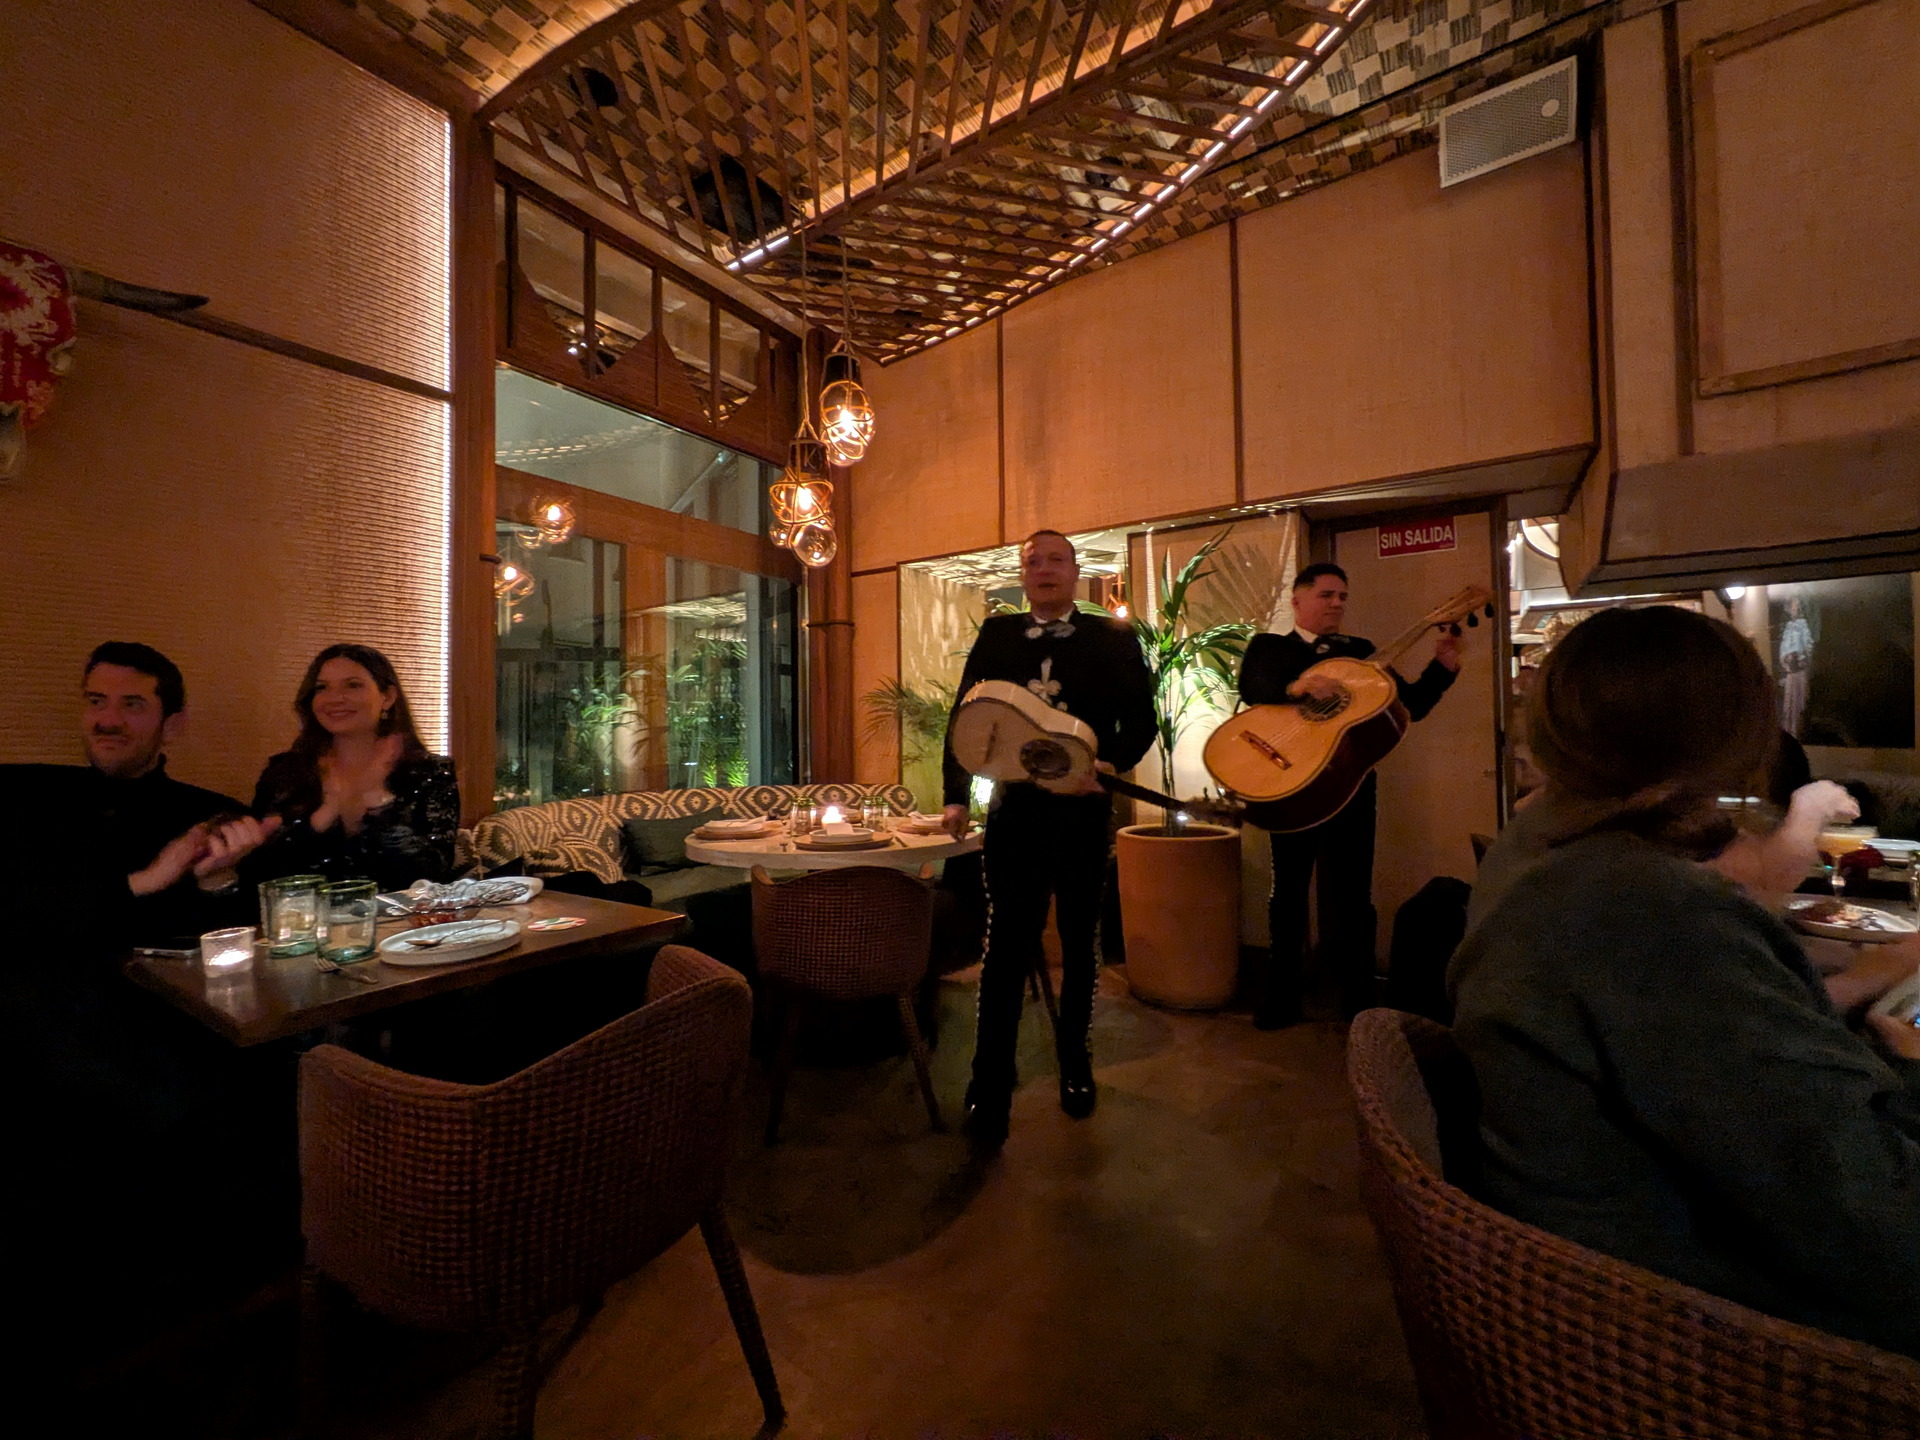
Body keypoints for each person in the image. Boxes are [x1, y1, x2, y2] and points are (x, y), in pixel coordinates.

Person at [1449, 606, 1920, 1358]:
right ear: (1740, 738)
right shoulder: (1641, 908)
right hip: (1686, 1325)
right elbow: (1874, 1225)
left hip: (1605, 1268)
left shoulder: (1547, 846)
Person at [940, 530, 1155, 1145]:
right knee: (1005, 945)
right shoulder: (997, 634)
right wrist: (956, 794)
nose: (1043, 569)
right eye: (1032, 561)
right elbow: (965, 717)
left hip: (1083, 813)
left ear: (1076, 570)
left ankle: (1075, 1063)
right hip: (1015, 814)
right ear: (1023, 575)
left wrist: (1109, 762)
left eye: (1055, 559)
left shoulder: (1112, 636)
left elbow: (1142, 718)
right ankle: (989, 1079)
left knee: (1081, 944)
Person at [1236, 562, 1460, 1026]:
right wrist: (1297, 686)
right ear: (1297, 600)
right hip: (1290, 787)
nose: (1337, 603)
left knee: (1355, 896)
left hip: (1350, 787)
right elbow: (1253, 686)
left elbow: (1411, 704)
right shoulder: (1270, 647)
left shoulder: (1360, 653)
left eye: (1342, 596)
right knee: (1288, 893)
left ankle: (1360, 1001)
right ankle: (1281, 997)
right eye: (1326, 594)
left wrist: (1442, 667)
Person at [6, 641, 276, 946]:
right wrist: (144, 881)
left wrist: (218, 883)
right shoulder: (24, 800)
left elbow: (232, 952)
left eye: (132, 705)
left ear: (172, 725)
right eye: (97, 701)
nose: (108, 721)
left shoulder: (211, 819)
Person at [251, 643, 459, 892]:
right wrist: (324, 816)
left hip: (397, 917)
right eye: (322, 687)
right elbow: (260, 875)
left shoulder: (430, 772)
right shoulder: (284, 773)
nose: (335, 698)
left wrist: (376, 801)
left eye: (353, 685)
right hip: (305, 917)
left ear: (387, 697)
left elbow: (431, 875)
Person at [1778, 595, 1813, 736]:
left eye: (1797, 606)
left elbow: (1808, 647)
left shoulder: (1803, 626)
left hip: (1799, 671)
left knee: (1799, 703)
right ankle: (1789, 732)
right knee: (1789, 705)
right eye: (1793, 605)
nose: (1795, 608)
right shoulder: (1788, 627)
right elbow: (1783, 647)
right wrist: (1785, 658)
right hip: (1790, 672)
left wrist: (1799, 656)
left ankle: (1799, 732)